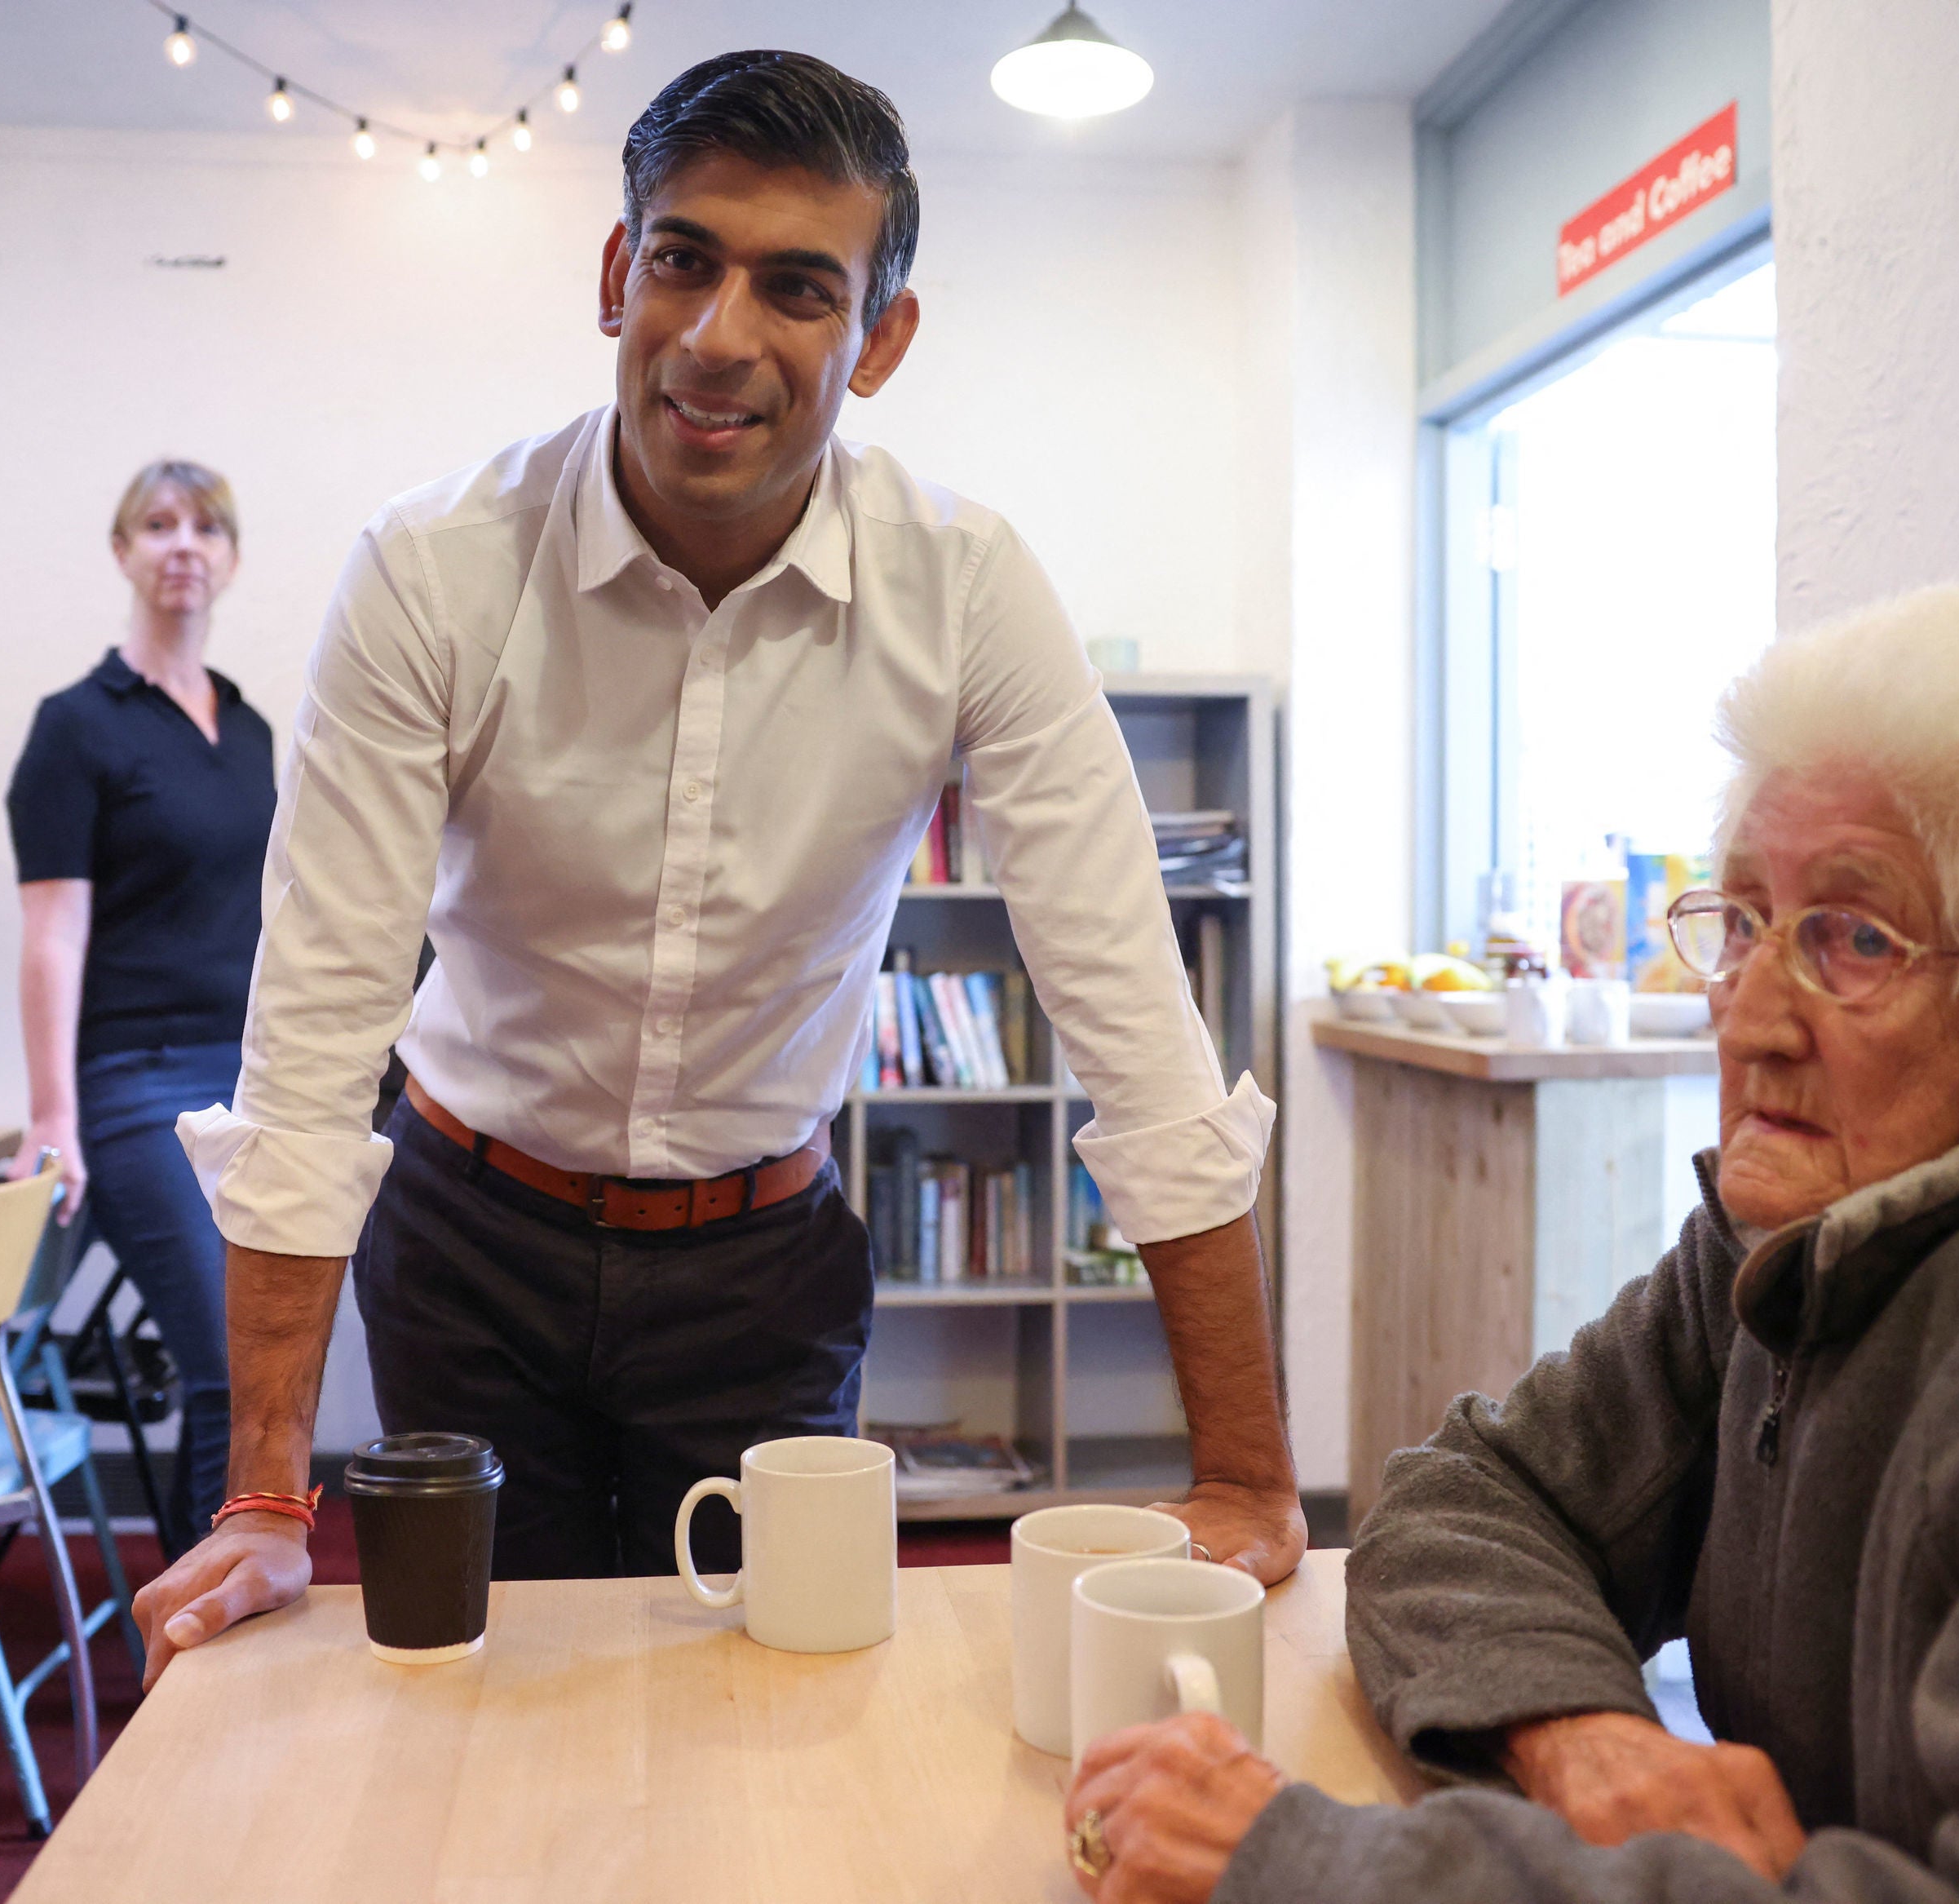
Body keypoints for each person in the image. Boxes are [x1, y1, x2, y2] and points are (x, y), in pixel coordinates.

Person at [130, 49, 1304, 1676]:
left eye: (799, 288)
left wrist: (1246, 1475)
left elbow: (1129, 1013)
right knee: (489, 1711)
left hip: (763, 1269)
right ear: (617, 274)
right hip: (469, 1245)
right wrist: (265, 1500)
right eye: (683, 258)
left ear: (880, 339)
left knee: (769, 1716)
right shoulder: (433, 570)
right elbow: (319, 1022)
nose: (718, 337)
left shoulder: (964, 587)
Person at [1059, 585, 1959, 1902]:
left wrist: (1317, 1866)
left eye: (1854, 938)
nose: (1749, 1016)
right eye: (1745, 923)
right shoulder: (1799, 1247)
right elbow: (1471, 1494)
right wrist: (1587, 1738)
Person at [5, 459, 276, 1543]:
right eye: (158, 524)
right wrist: (51, 1117)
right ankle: (211, 1647)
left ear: (232, 560)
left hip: (248, 1081)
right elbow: (51, 930)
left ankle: (213, 1590)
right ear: (123, 551)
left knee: (262, 1350)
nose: (183, 543)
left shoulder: (249, 733)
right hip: (130, 1086)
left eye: (207, 527)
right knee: (232, 1355)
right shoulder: (76, 725)